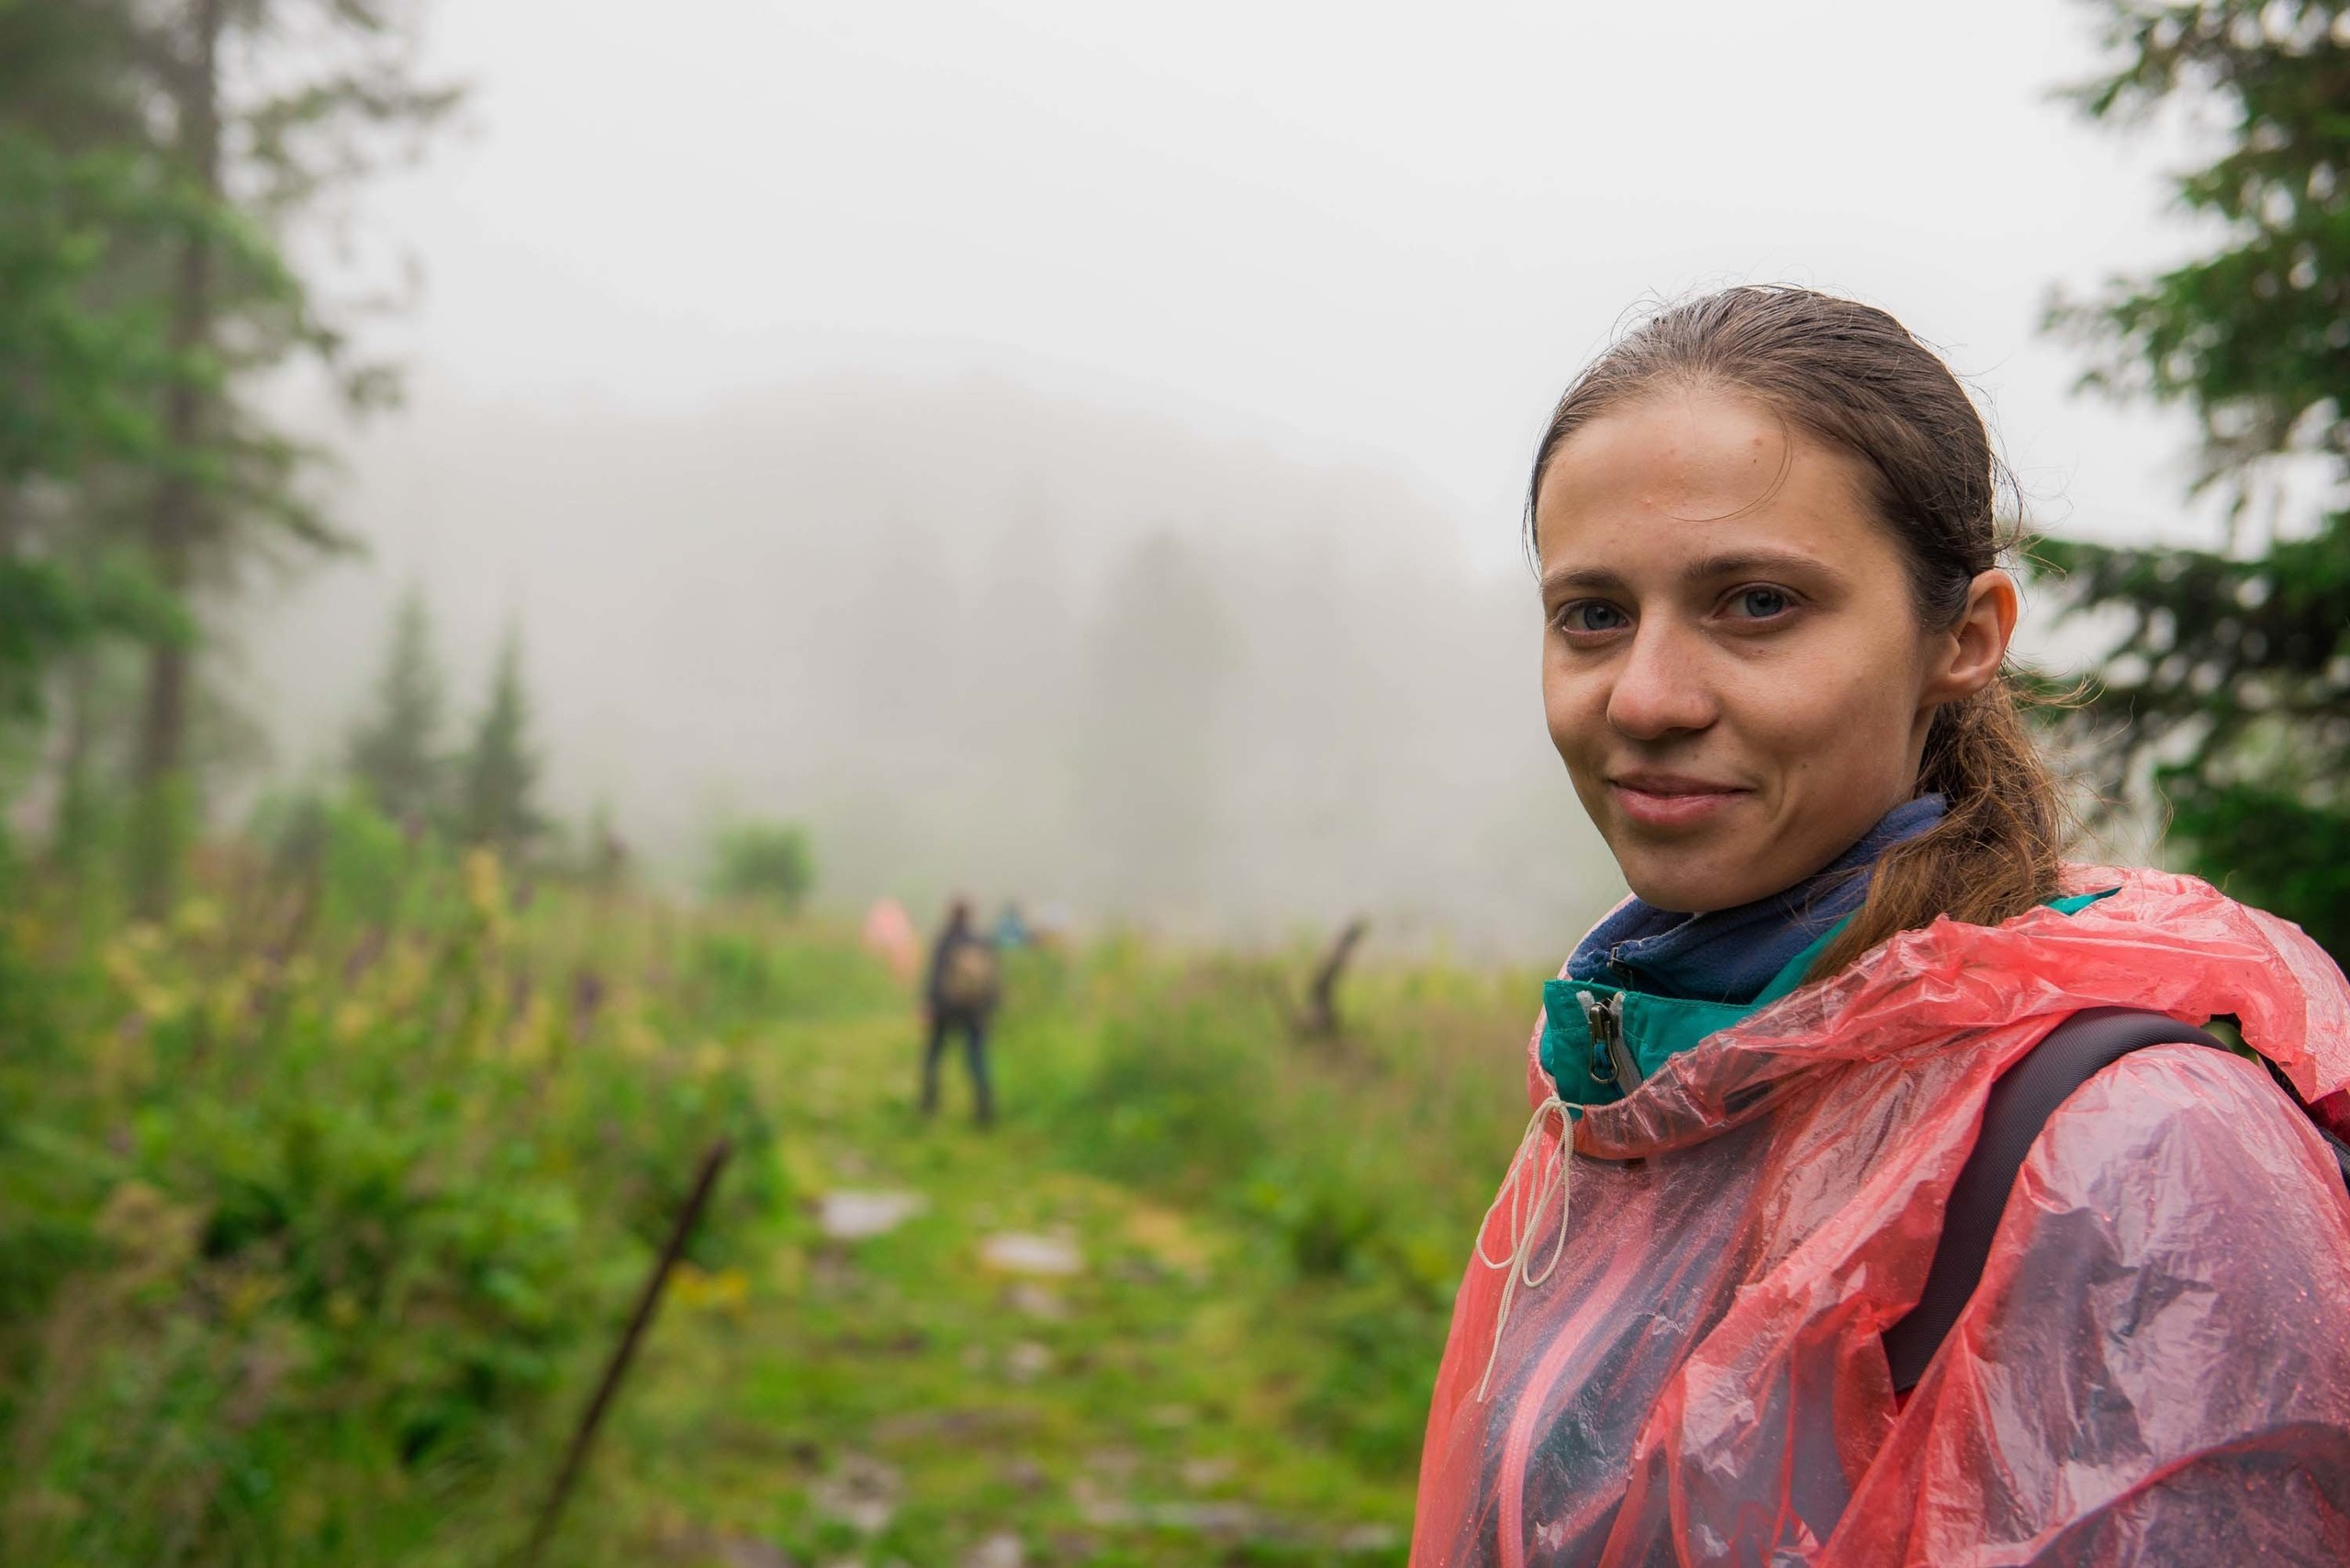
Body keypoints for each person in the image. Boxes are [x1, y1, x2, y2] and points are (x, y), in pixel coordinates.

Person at [1411, 286, 2350, 1566]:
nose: (1645, 696)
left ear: (1962, 639)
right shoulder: (1634, 1079)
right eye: (1594, 615)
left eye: (1757, 605)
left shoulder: (2136, 1153)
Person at [920, 896, 1000, 1126]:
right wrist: (990, 1009)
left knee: (934, 1056)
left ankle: (928, 1103)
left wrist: (929, 1004)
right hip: (974, 1011)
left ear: (951, 913)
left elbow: (934, 975)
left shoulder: (945, 940)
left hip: (945, 1009)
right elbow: (993, 980)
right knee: (977, 1059)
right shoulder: (981, 941)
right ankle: (985, 1109)